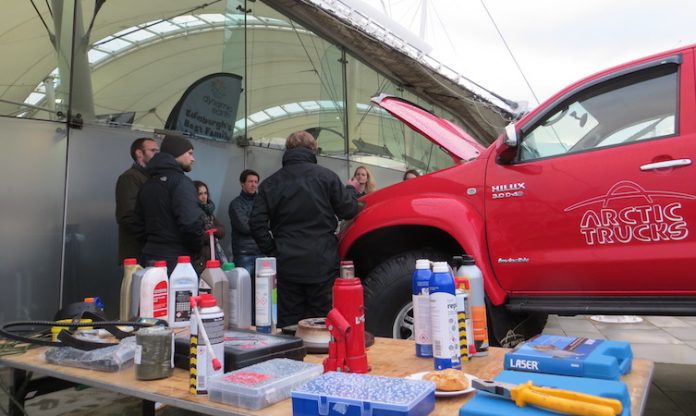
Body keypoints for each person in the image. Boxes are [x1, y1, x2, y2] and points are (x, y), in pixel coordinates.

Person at [250, 131, 360, 328]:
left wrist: (272, 250)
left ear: (288, 150)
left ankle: (292, 357)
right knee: (326, 322)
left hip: (286, 263)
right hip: (322, 261)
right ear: (313, 149)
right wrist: (351, 190)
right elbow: (348, 210)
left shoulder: (270, 183)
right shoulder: (327, 177)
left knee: (290, 325)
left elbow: (256, 223)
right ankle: (326, 357)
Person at [134, 133, 204, 273]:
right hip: (176, 260)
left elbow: (138, 224)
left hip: (149, 257)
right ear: (176, 154)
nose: (193, 158)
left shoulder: (148, 184)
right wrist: (196, 248)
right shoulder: (181, 182)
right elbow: (191, 223)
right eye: (189, 153)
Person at [115, 137, 159, 263]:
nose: (157, 155)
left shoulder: (151, 177)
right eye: (153, 150)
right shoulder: (130, 177)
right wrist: (154, 236)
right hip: (138, 253)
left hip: (148, 250)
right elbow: (127, 216)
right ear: (139, 153)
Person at [229, 169, 262, 277]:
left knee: (265, 290)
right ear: (242, 183)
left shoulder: (262, 203)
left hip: (263, 252)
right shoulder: (236, 204)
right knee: (244, 289)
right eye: (250, 181)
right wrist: (263, 225)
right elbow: (245, 227)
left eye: (256, 182)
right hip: (244, 253)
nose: (254, 185)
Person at [193, 180, 227, 274]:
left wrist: (212, 231)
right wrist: (211, 233)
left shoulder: (209, 214)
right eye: (200, 194)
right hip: (199, 260)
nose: (204, 197)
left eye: (205, 193)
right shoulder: (192, 213)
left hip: (211, 258)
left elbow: (222, 231)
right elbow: (197, 237)